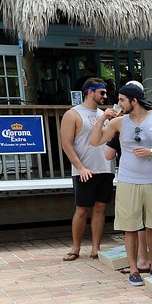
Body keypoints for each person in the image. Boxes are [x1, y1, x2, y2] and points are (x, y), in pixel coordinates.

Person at [89, 83, 152, 286]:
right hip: (128, 181)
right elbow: (95, 141)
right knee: (130, 227)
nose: (118, 103)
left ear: (134, 101)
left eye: (122, 100)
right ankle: (134, 270)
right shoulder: (119, 122)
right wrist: (102, 118)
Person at [60, 78, 114, 261]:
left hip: (105, 167)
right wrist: (80, 167)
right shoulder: (73, 114)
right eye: (102, 92)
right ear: (90, 92)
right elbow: (66, 144)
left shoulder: (104, 114)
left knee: (100, 208)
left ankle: (96, 248)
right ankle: (75, 247)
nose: (105, 96)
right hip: (84, 168)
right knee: (82, 210)